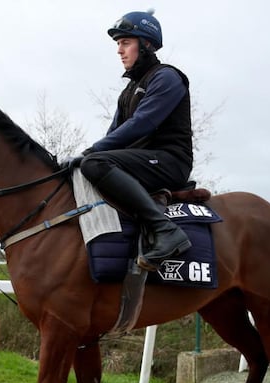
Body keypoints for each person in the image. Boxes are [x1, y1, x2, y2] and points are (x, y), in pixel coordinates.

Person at [78, 9, 193, 271]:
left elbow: (141, 124)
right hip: (142, 162)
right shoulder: (129, 90)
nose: (120, 50)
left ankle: (166, 231)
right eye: (118, 44)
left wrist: (89, 154)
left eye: (126, 42)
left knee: (94, 163)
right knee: (88, 164)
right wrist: (84, 156)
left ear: (146, 44)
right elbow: (114, 135)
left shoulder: (167, 77)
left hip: (169, 162)